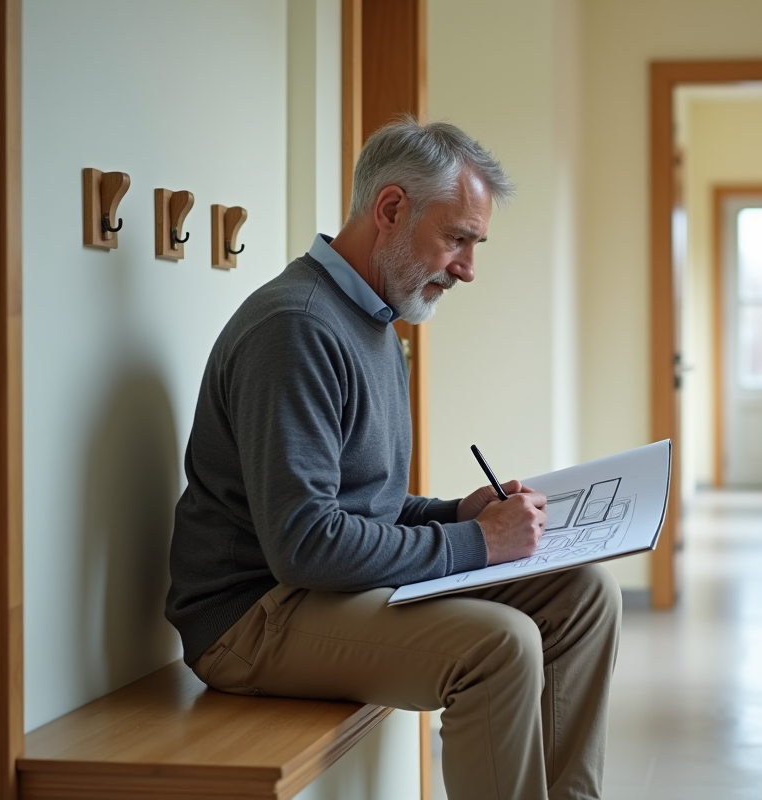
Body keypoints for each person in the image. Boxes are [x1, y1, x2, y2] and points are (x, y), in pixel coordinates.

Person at [164, 118, 622, 800]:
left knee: (584, 594)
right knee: (499, 646)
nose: (468, 267)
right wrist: (474, 541)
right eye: (457, 238)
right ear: (390, 210)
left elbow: (361, 507)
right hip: (252, 619)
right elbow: (305, 545)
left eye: (475, 243)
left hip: (317, 592)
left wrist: (454, 513)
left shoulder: (376, 324)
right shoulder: (297, 328)